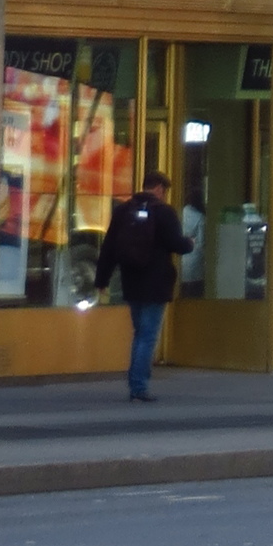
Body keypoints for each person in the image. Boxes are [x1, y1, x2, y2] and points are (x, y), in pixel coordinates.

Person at [94, 170, 188, 403]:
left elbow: (109, 248)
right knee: (148, 335)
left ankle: (136, 382)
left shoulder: (123, 211)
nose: (164, 195)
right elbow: (177, 244)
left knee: (140, 333)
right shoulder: (164, 213)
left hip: (131, 281)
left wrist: (102, 280)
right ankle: (138, 385)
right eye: (163, 191)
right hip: (157, 283)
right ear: (158, 188)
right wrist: (190, 243)